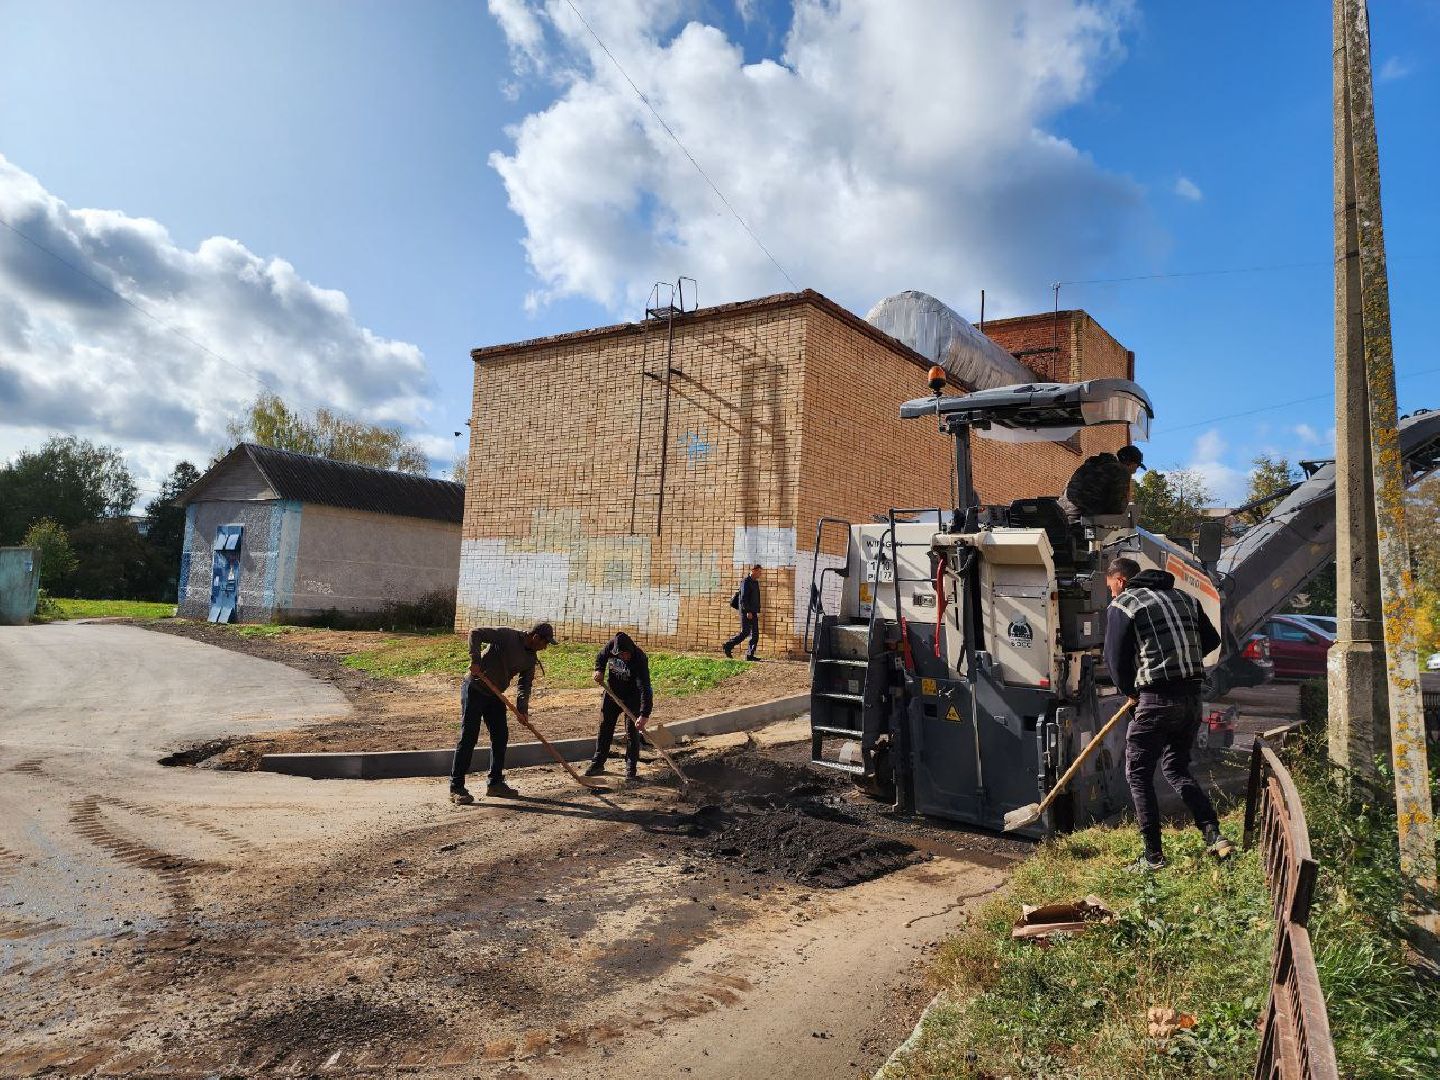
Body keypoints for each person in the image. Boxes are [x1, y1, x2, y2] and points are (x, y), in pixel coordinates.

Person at [1102, 557, 1234, 870]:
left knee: (1138, 774)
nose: (1111, 595)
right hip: (1191, 699)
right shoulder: (1185, 598)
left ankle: (1153, 857)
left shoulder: (1124, 604)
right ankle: (1213, 835)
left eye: (1110, 588)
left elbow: (1114, 660)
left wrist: (1131, 692)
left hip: (1156, 700)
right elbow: (1213, 639)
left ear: (1120, 581)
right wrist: (1176, 657)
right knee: (1176, 768)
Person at [449, 621, 555, 805]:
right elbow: (475, 633)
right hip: (475, 687)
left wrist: (522, 710)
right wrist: (475, 660)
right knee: (469, 737)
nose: (546, 647)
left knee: (500, 736)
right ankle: (456, 787)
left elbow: (524, 686)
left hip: (494, 693)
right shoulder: (508, 635)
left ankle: (495, 783)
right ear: (536, 637)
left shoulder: (530, 659)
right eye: (545, 642)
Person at [585, 631, 653, 780]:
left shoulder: (639, 658)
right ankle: (598, 763)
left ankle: (631, 769)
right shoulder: (611, 646)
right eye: (619, 655)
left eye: (625, 655)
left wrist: (644, 714)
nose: (622, 657)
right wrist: (599, 670)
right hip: (612, 694)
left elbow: (645, 688)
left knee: (632, 732)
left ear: (631, 651)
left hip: (632, 698)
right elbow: (601, 657)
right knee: (605, 727)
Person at [1058, 444, 1145, 521]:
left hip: (1062, 515)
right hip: (1082, 519)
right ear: (1132, 463)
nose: (1135, 471)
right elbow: (1116, 509)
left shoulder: (1094, 464)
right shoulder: (1121, 470)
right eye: (1137, 467)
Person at [723, 564, 762, 660]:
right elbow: (743, 598)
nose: (760, 574)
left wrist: (756, 611)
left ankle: (750, 655)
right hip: (746, 612)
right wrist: (748, 611)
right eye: (759, 572)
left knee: (755, 635)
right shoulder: (745, 582)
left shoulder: (755, 583)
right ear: (753, 570)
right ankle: (728, 645)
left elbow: (755, 598)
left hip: (753, 612)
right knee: (745, 632)